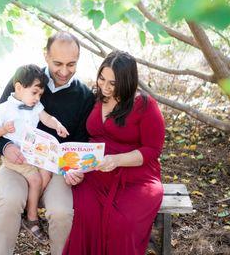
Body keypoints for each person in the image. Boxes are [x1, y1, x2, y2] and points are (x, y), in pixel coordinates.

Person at [0, 32, 95, 255]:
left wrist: (75, 169)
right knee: (9, 201)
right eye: (57, 63)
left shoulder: (84, 95)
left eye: (71, 64)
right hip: (19, 163)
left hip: (56, 170)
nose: (64, 71)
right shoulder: (26, 79)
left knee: (62, 212)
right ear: (46, 56)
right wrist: (6, 147)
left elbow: (81, 141)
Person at [63, 50, 165, 255]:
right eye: (102, 78)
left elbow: (153, 150)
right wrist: (72, 166)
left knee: (122, 223)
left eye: (113, 83)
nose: (105, 86)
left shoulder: (145, 105)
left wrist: (117, 160)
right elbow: (80, 138)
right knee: (85, 216)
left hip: (136, 177)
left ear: (127, 82)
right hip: (95, 174)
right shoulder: (94, 99)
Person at [0, 64, 70, 241]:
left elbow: (46, 118)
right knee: (35, 178)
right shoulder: (3, 109)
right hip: (16, 157)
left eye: (40, 94)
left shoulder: (35, 106)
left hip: (32, 154)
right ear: (18, 87)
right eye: (34, 93)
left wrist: (57, 125)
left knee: (46, 171)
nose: (37, 98)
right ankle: (32, 218)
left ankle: (28, 206)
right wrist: (3, 130)